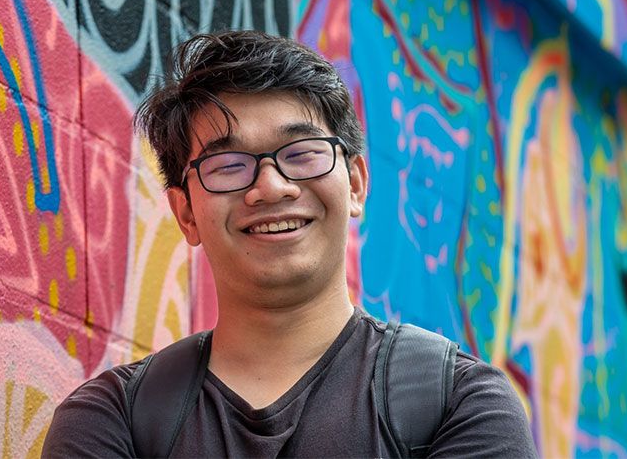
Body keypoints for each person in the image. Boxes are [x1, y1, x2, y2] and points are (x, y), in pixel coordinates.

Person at [43, 30, 538, 458]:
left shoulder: (462, 403)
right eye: (228, 166)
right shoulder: (111, 421)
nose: (271, 187)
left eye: (302, 154)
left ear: (357, 184)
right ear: (186, 213)